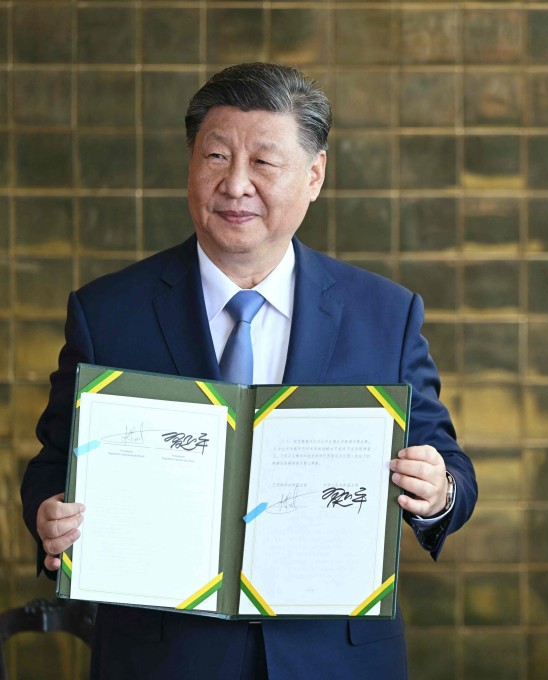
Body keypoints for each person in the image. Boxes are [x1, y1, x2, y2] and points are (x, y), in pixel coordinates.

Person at [21, 63, 477, 680]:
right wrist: (48, 513)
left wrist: (436, 492)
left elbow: (452, 468)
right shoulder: (109, 312)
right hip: (163, 658)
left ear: (314, 176)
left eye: (264, 162)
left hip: (332, 659)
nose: (235, 184)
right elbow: (52, 465)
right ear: (190, 165)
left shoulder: (385, 314)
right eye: (215, 155)